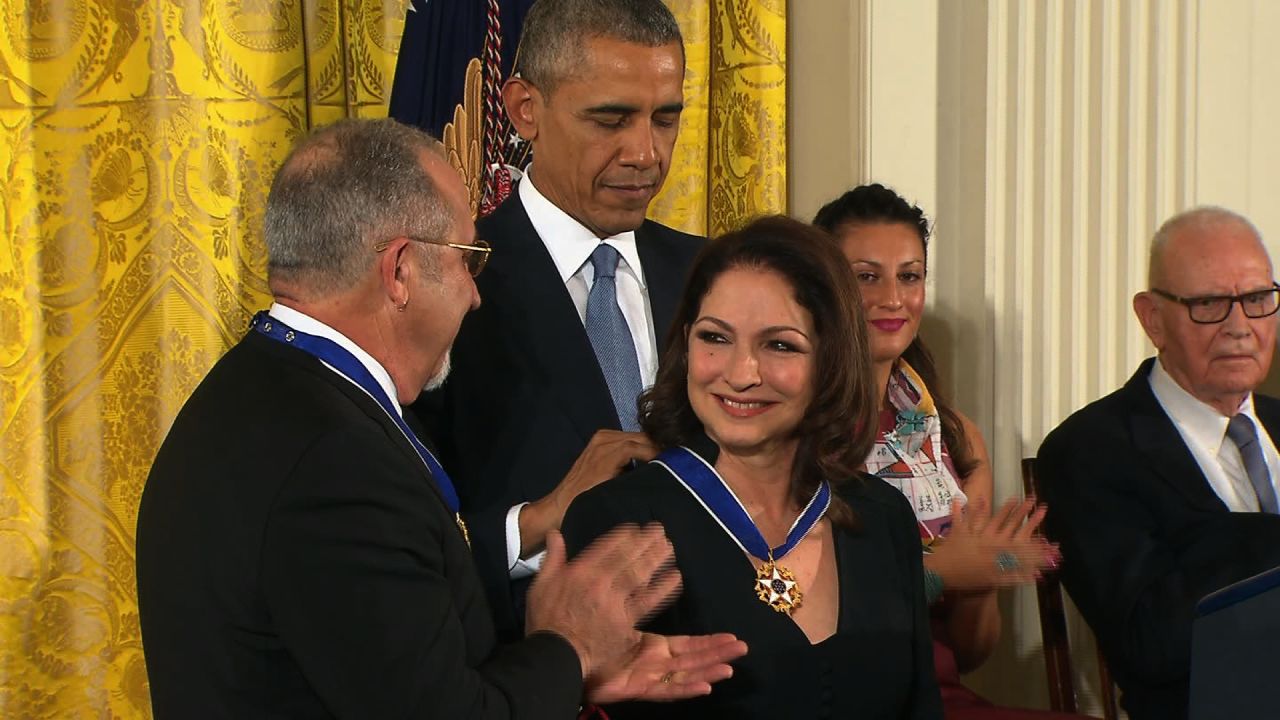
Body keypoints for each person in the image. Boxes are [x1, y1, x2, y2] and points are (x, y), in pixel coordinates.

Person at [134, 118, 745, 719]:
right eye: (468, 260)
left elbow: (391, 629)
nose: (476, 293)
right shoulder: (335, 462)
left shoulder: (256, 388)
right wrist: (570, 650)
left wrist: (564, 668)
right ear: (399, 272)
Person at [561, 216, 944, 718]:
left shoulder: (881, 514)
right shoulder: (617, 523)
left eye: (779, 345)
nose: (741, 374)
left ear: (831, 361)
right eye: (715, 338)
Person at [412, 0, 704, 640]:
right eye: (611, 119)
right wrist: (533, 522)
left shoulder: (713, 276)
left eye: (665, 118)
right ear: (525, 110)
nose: (646, 153)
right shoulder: (447, 286)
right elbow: (404, 540)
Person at [814, 184, 1078, 720]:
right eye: (867, 277)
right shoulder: (788, 426)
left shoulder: (955, 438)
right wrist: (940, 570)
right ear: (821, 288)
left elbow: (969, 655)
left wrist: (986, 577)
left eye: (909, 276)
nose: (893, 298)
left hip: (938, 697)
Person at [1037, 206, 1280, 720]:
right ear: (1153, 318)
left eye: (1257, 300)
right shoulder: (1090, 452)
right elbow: (1149, 640)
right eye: (1210, 304)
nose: (1240, 327)